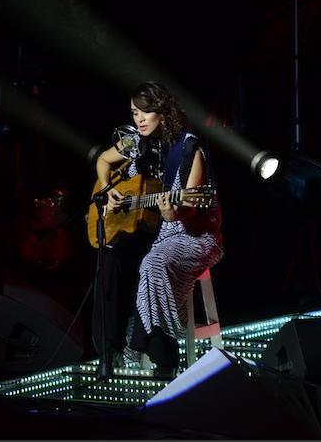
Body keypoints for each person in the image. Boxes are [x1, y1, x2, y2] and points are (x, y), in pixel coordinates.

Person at [92, 81, 223, 378]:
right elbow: (103, 160)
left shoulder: (190, 148)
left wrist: (171, 211)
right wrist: (106, 188)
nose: (138, 119)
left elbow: (190, 206)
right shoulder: (138, 142)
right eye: (134, 113)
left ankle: (161, 355)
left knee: (153, 263)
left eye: (144, 112)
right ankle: (112, 350)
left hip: (195, 236)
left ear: (162, 113)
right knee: (112, 256)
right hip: (159, 233)